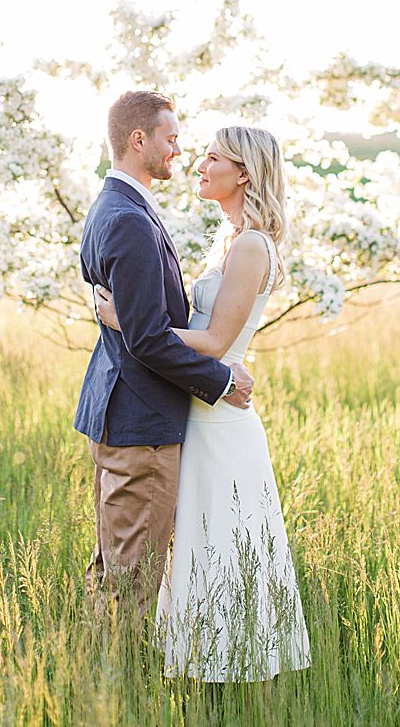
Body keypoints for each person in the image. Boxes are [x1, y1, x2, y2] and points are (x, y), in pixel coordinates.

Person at [94, 126, 311, 681]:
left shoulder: (252, 245)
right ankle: (196, 662)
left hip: (220, 422)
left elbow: (214, 342)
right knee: (193, 546)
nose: (198, 163)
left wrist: (132, 323)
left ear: (243, 173)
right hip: (200, 409)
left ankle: (231, 666)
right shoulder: (229, 238)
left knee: (222, 543)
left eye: (213, 157)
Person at [74, 90, 255, 617]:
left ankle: (95, 680)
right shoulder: (128, 217)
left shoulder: (113, 205)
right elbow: (149, 338)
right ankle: (116, 692)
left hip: (119, 413)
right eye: (171, 139)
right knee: (131, 579)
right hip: (142, 422)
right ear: (139, 140)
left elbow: (133, 323)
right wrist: (221, 381)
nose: (180, 150)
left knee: (112, 567)